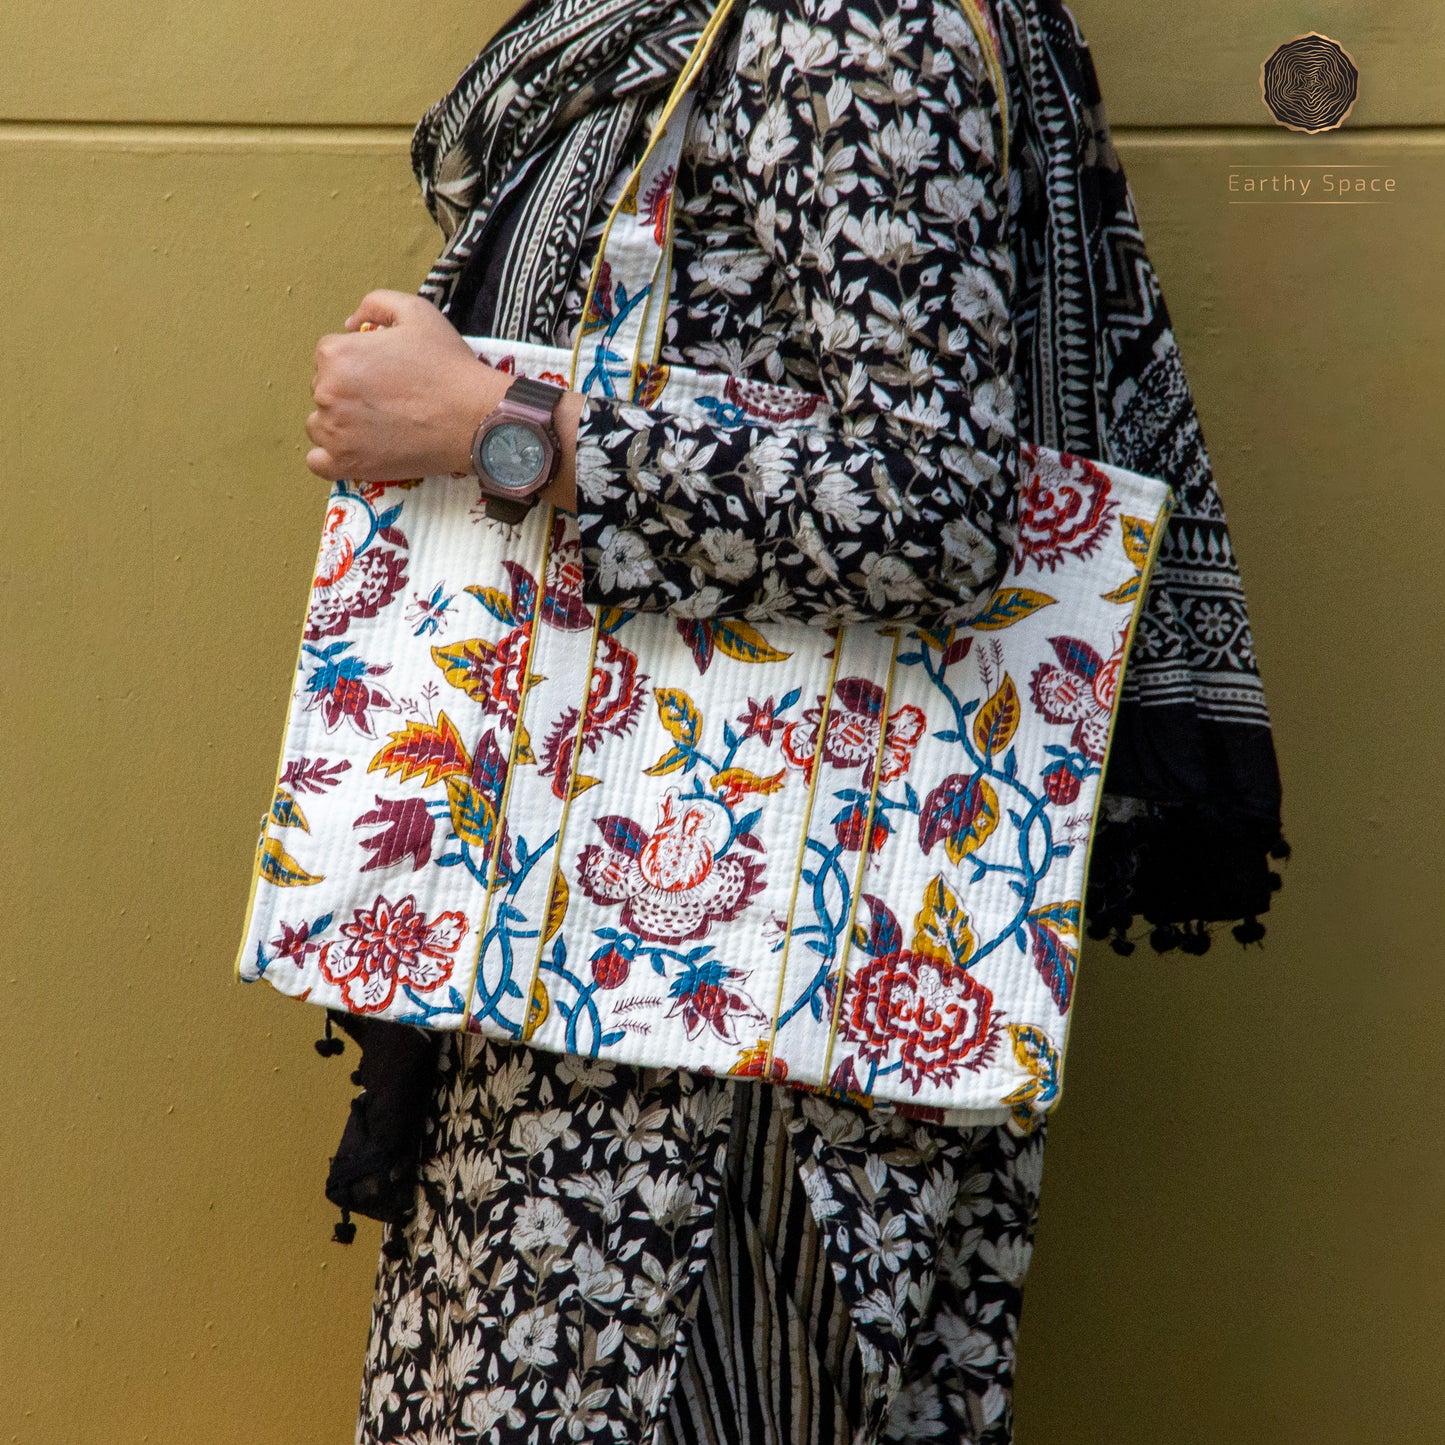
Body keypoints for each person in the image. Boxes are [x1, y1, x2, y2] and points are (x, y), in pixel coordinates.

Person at [303, 2, 1286, 1440]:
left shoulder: (853, 28)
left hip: (729, 1054)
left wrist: (490, 425)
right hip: (627, 981)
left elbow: (935, 500)